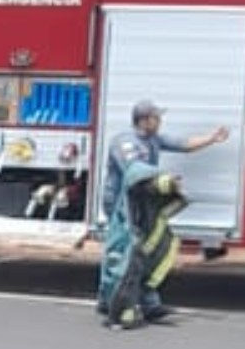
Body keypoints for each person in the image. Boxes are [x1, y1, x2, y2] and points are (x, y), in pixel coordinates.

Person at [96, 99, 228, 325]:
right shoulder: (124, 142)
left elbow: (184, 145)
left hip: (143, 205)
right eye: (157, 118)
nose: (160, 122)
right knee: (126, 253)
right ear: (145, 120)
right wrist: (163, 180)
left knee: (152, 250)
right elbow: (134, 169)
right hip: (123, 209)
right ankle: (112, 302)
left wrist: (212, 138)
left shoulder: (154, 139)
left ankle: (148, 303)